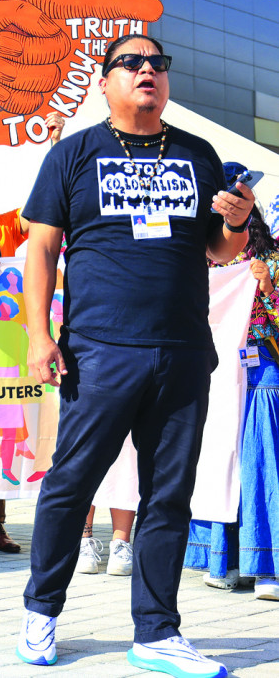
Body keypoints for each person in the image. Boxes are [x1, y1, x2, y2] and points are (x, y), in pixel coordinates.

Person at [18, 34, 253, 676]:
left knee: (168, 496)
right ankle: (41, 614)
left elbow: (220, 250)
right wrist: (39, 336)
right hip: (100, 350)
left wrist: (236, 219)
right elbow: (39, 250)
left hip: (181, 352)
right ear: (106, 81)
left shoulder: (198, 154)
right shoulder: (73, 155)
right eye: (132, 62)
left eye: (157, 64)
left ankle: (155, 632)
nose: (147, 70)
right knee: (71, 484)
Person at [185, 199, 279, 602]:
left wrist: (268, 288)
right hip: (217, 375)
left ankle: (268, 566)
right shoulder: (199, 261)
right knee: (219, 460)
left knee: (261, 464)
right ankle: (221, 561)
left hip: (262, 373)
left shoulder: (271, 258)